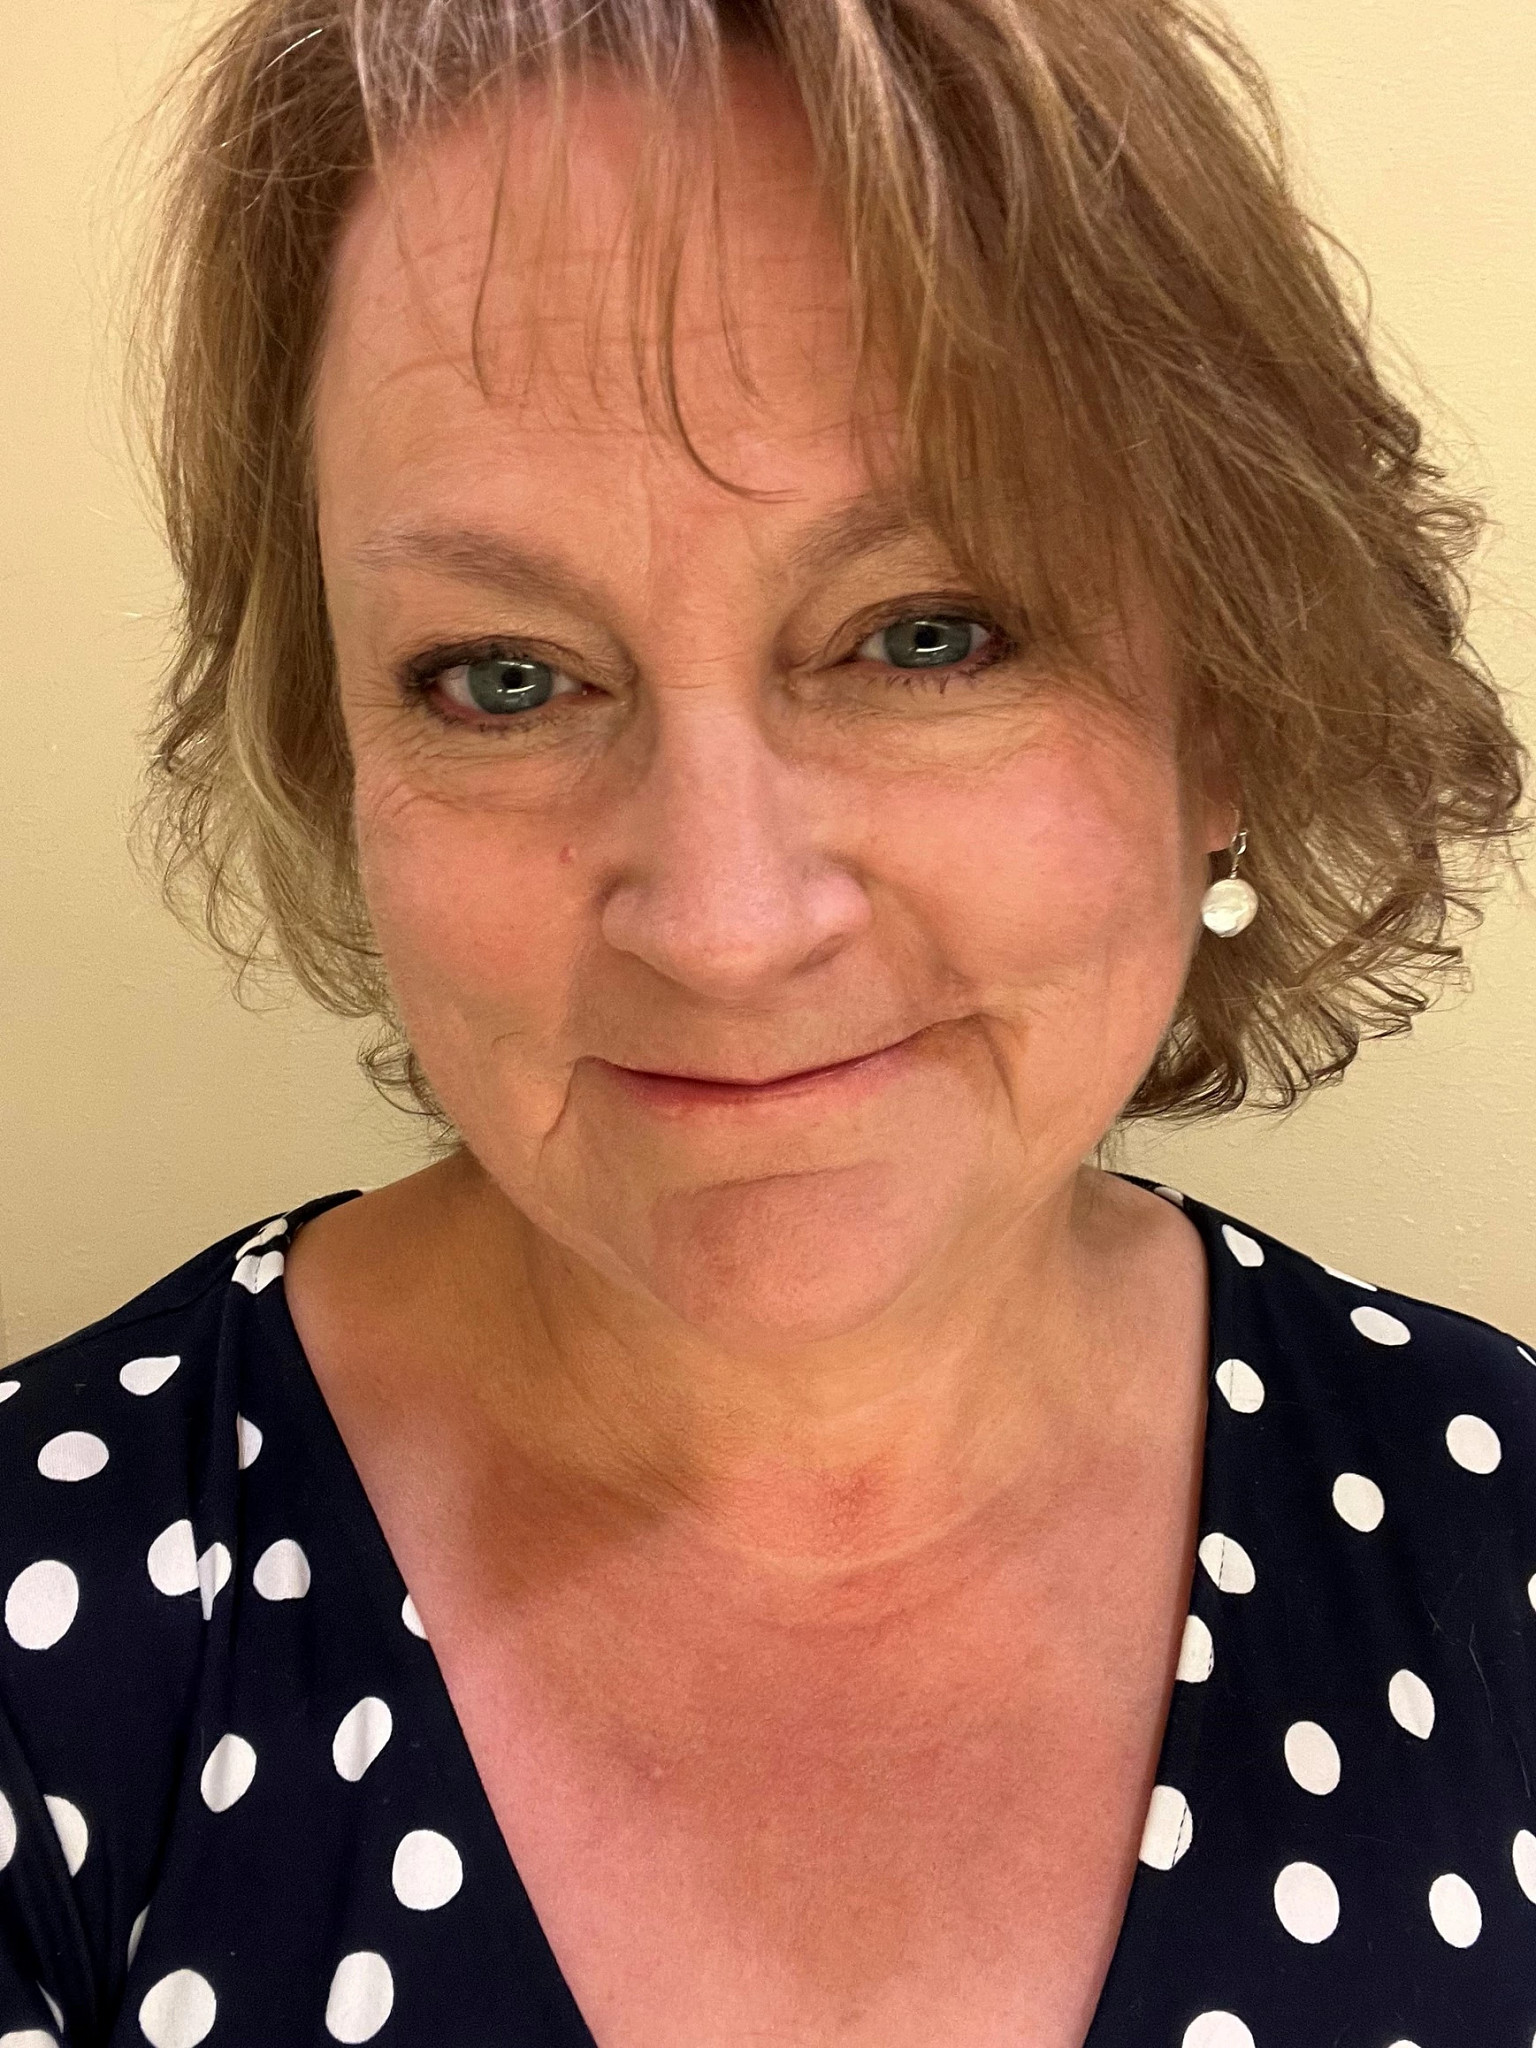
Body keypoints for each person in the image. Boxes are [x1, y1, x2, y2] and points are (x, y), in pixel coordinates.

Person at [5, 0, 1533, 2042]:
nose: (725, 929)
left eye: (928, 635)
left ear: (1229, 710)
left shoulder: (1494, 1533)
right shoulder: (47, 1627)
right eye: (505, 676)